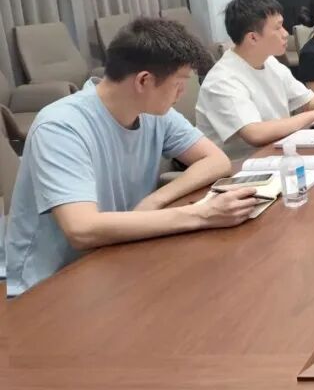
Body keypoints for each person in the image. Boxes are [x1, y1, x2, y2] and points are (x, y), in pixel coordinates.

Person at [5, 18, 249, 297]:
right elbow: (82, 229)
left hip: (118, 255)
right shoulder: (61, 127)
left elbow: (216, 161)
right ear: (144, 80)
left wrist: (154, 200)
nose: (182, 93)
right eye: (179, 83)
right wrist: (202, 215)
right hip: (52, 283)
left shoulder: (154, 112)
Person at [196, 0, 314, 159]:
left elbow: (307, 101)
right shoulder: (222, 79)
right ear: (253, 38)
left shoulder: (270, 62)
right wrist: (312, 115)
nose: (285, 33)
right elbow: (255, 133)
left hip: (278, 154)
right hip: (241, 166)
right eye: (277, 27)